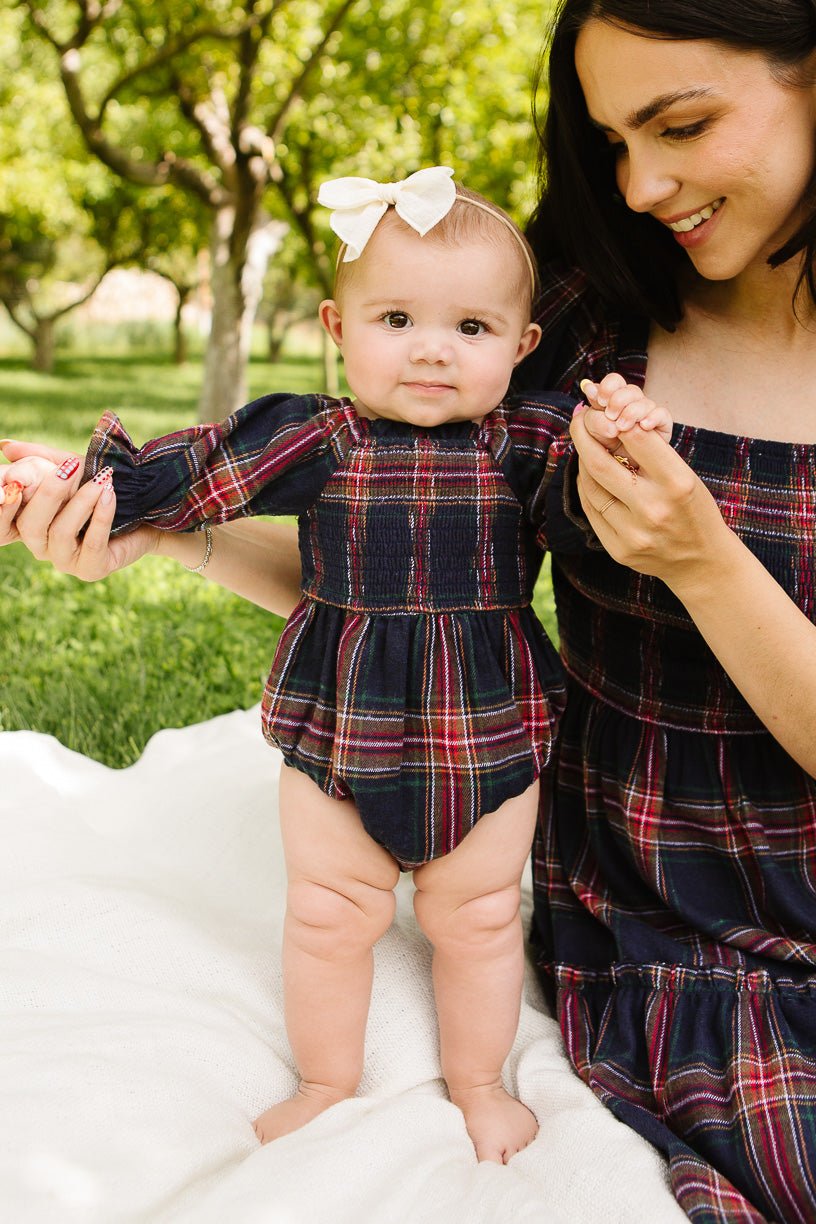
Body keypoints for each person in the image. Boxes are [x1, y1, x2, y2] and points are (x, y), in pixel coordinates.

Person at [4, 0, 816, 1209]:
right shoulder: (585, 329)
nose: (641, 185)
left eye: (683, 123)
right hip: (651, 915)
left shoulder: (543, 407)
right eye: (610, 143)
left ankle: (479, 1074)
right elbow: (370, 569)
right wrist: (149, 529)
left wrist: (703, 557)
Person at [0, 170, 669, 1165]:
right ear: (337, 327)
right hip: (340, 726)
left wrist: (620, 445)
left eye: (472, 329)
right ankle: (326, 1080)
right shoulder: (319, 435)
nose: (433, 347)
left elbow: (593, 520)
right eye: (397, 317)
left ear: (525, 347)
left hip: (483, 731)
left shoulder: (523, 445)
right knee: (327, 912)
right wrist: (90, 484)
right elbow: (203, 470)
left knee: (479, 918)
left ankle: (480, 1083)